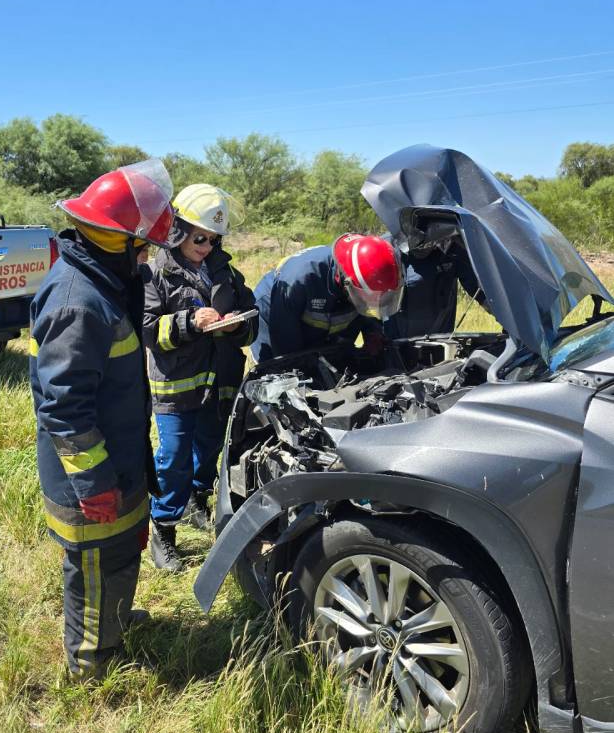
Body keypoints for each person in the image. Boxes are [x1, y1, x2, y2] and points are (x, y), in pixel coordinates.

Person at [29, 160, 174, 680]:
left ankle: (114, 622)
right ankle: (91, 665)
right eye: (144, 246)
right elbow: (63, 406)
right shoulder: (79, 304)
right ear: (118, 241)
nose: (149, 255)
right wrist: (92, 484)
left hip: (121, 457)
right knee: (93, 566)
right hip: (90, 476)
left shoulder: (108, 280)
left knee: (121, 552)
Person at [142, 184, 257, 572]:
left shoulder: (225, 271)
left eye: (213, 239)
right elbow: (145, 329)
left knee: (209, 447)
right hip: (175, 384)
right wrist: (189, 323)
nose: (206, 246)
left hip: (219, 380)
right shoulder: (157, 271)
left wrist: (235, 327)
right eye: (199, 238)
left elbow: (251, 316)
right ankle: (164, 529)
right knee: (173, 457)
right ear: (178, 231)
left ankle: (196, 500)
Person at [251, 232, 481, 363]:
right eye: (369, 297)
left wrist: (373, 333)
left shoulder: (364, 283)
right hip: (276, 321)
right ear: (345, 281)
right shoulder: (299, 278)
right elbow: (288, 350)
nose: (374, 303)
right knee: (282, 379)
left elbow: (369, 307)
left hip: (326, 319)